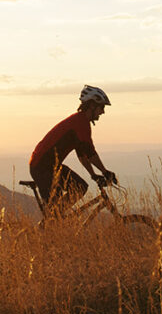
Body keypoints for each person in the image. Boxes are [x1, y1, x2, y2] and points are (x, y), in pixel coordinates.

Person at [27, 85, 119, 218]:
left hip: (49, 166)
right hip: (42, 167)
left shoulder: (80, 122)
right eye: (102, 107)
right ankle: (53, 224)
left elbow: (82, 154)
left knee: (80, 187)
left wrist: (94, 175)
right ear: (92, 106)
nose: (103, 112)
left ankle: (55, 220)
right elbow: (90, 152)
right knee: (55, 211)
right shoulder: (80, 123)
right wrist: (105, 172)